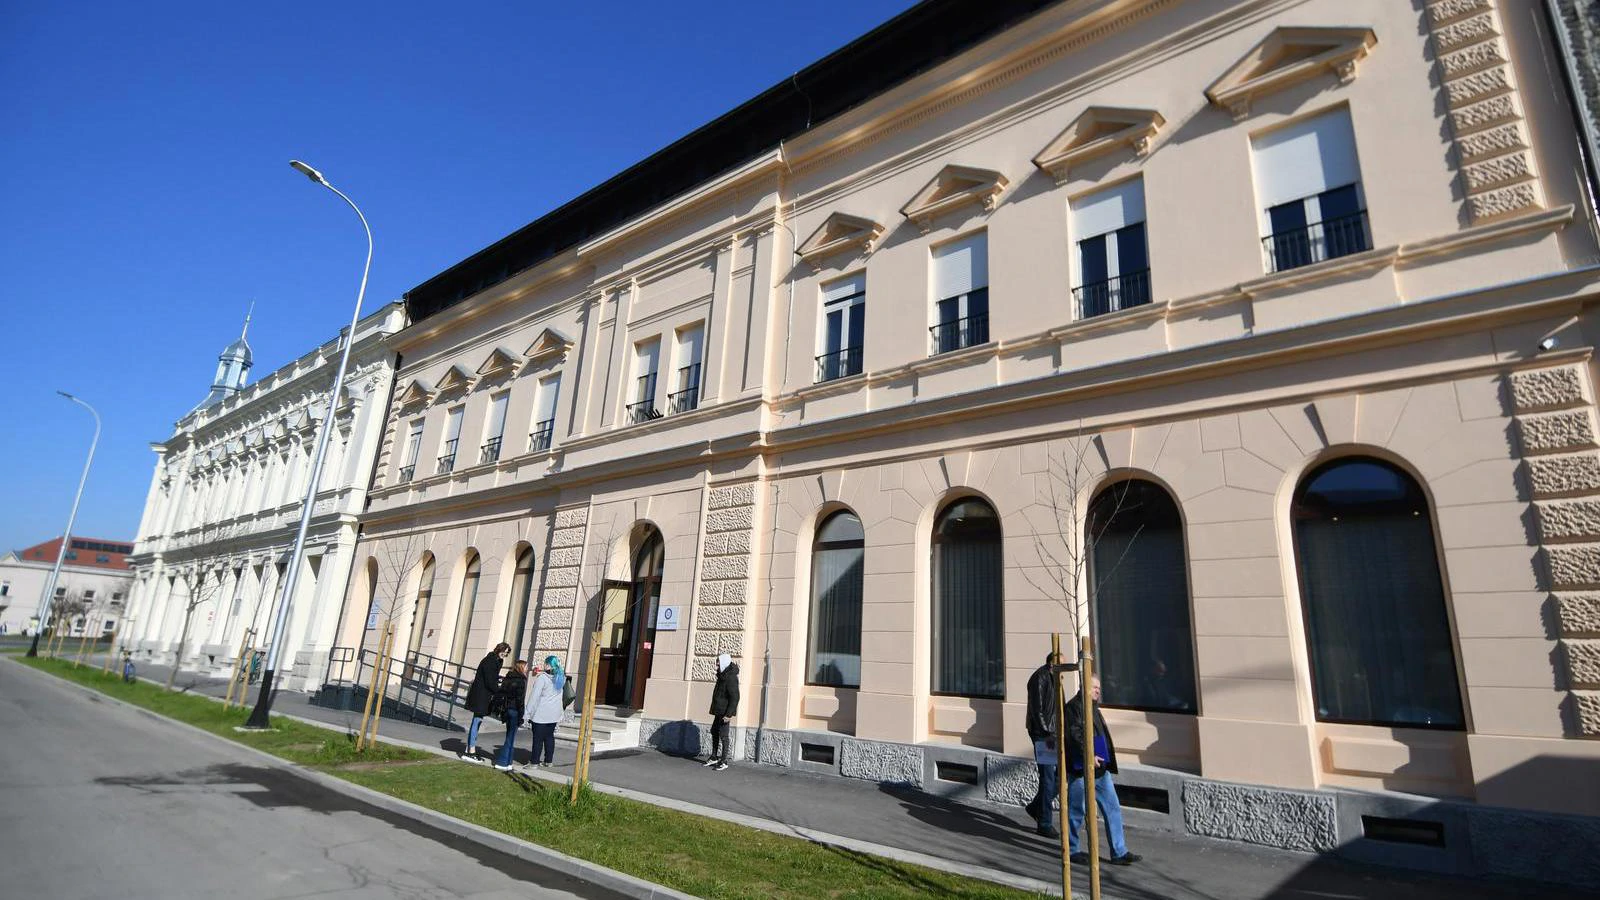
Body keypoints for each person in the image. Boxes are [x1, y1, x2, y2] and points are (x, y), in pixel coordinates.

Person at [1065, 676, 1140, 866]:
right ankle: (1072, 850)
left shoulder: (1093, 707)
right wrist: (1089, 755)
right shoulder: (1074, 707)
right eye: (1095, 687)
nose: (1098, 690)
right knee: (1076, 811)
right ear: (1084, 687)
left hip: (1100, 770)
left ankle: (1119, 851)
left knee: (1112, 808)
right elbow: (1075, 735)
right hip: (1081, 770)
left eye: (1099, 687)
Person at [1024, 651, 1062, 838]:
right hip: (1044, 735)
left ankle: (1035, 807)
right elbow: (1037, 708)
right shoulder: (1040, 678)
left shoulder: (1054, 678)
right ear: (1052, 663)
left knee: (1059, 777)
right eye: (1061, 664)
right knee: (1048, 777)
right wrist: (1047, 732)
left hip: (1052, 734)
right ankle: (1045, 822)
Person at [462, 642, 510, 760]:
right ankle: (470, 751)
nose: (505, 655)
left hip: (483, 695)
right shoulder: (490, 661)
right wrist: (499, 691)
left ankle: (470, 748)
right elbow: (490, 681)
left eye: (507, 654)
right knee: (477, 721)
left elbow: (492, 679)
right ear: (499, 650)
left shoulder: (495, 661)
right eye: (504, 652)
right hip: (481, 695)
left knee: (477, 721)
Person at [524, 655, 564, 768]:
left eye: (546, 663)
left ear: (549, 665)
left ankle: (534, 762)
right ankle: (548, 761)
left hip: (541, 713)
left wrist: (527, 712)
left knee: (538, 739)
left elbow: (534, 697)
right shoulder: (561, 678)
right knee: (549, 737)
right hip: (554, 714)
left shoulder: (542, 678)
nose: (544, 665)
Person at [491, 659, 529, 771]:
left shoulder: (508, 677)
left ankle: (508, 762)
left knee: (510, 736)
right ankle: (502, 762)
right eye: (526, 667)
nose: (527, 669)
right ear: (521, 667)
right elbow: (520, 700)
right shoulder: (521, 680)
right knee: (510, 737)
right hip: (514, 710)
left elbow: (501, 693)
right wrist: (521, 715)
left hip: (507, 709)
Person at [705, 652, 739, 771]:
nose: (717, 666)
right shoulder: (722, 675)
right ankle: (714, 757)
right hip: (718, 710)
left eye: (718, 663)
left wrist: (729, 714)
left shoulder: (731, 677)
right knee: (714, 731)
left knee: (724, 736)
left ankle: (724, 761)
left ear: (724, 663)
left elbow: (735, 697)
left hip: (725, 712)